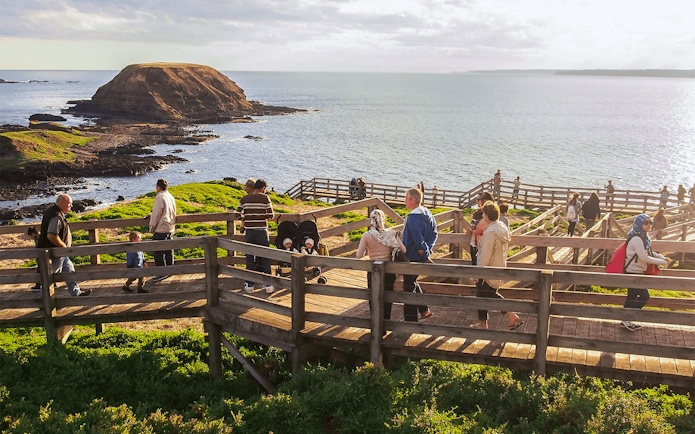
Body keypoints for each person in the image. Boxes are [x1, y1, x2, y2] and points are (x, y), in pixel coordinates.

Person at [470, 200, 523, 330]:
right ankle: (510, 316)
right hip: (497, 267)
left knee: (482, 296)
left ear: (487, 216)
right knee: (490, 295)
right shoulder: (501, 228)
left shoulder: (490, 233)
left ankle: (485, 323)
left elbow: (485, 255)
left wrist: (478, 273)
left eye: (483, 215)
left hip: (487, 269)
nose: (482, 217)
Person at [356, 209, 408, 322]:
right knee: (387, 298)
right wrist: (397, 238)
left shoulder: (367, 235)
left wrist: (368, 248)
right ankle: (386, 323)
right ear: (383, 219)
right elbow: (403, 250)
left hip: (373, 270)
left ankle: (375, 325)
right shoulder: (390, 233)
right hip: (389, 271)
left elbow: (359, 255)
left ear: (371, 220)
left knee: (373, 298)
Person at [620, 214, 669, 331]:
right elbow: (643, 257)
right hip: (633, 272)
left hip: (637, 271)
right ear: (639, 223)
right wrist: (661, 262)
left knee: (632, 296)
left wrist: (661, 257)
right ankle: (626, 319)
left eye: (650, 222)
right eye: (646, 222)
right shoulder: (637, 238)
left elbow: (649, 253)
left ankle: (625, 320)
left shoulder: (643, 236)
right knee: (644, 296)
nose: (649, 224)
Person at [37, 194, 90, 296]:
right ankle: (43, 300)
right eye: (69, 204)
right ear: (62, 203)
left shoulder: (54, 212)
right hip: (55, 252)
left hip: (60, 252)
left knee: (69, 270)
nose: (71, 206)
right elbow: (51, 235)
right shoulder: (56, 215)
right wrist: (64, 247)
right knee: (50, 276)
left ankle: (76, 293)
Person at [401, 188, 437, 322]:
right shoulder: (428, 213)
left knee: (408, 288)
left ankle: (410, 321)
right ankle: (424, 310)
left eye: (406, 198)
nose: (404, 201)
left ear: (413, 200)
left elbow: (418, 240)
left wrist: (425, 253)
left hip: (411, 257)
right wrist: (428, 251)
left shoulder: (412, 218)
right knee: (411, 283)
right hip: (421, 257)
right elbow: (434, 234)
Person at [237, 179, 275, 294]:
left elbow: (237, 215)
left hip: (249, 232)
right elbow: (271, 215)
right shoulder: (265, 198)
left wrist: (246, 218)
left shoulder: (244, 199)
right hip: (262, 232)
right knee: (265, 256)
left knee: (249, 257)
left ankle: (250, 285)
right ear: (263, 188)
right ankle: (268, 285)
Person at [149, 179, 177, 281]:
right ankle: (170, 270)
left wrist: (152, 226)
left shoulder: (160, 197)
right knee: (169, 249)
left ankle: (161, 273)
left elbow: (157, 213)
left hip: (161, 227)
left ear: (158, 187)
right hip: (170, 226)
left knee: (158, 250)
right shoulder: (170, 196)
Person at [468, 191, 494, 265]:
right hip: (476, 243)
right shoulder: (479, 213)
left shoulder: (487, 214)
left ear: (485, 200)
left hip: (481, 244)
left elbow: (479, 230)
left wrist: (473, 230)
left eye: (478, 199)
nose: (477, 201)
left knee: (479, 267)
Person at [27, 226, 42, 290]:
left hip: (41, 256)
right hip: (42, 256)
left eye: (30, 236)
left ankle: (38, 285)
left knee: (39, 270)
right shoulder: (41, 237)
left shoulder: (37, 238)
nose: (30, 238)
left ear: (33, 234)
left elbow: (38, 247)